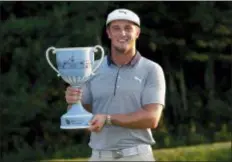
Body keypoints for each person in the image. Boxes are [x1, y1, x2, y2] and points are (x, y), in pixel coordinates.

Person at [65, 8, 166, 161]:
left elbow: (151, 118)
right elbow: (83, 117)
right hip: (99, 156)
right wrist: (73, 104)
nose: (122, 34)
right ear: (109, 33)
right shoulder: (91, 68)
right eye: (116, 28)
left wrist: (108, 118)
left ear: (137, 33)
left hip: (137, 156)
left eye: (128, 28)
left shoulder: (151, 69)